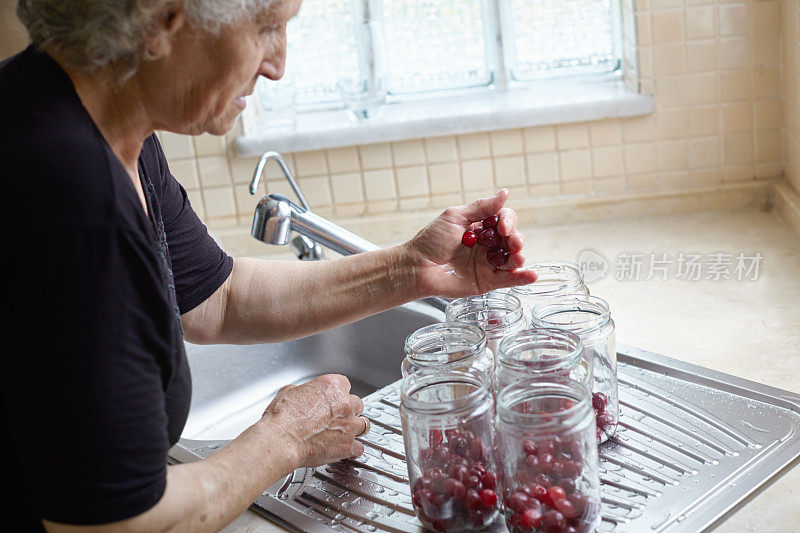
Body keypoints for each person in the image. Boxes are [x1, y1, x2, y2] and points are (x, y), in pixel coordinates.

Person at [0, 0, 537, 531]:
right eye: (266, 28)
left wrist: (411, 268)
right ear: (161, 20)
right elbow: (116, 526)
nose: (277, 65)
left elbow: (217, 298)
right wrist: (284, 440)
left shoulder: (91, 120)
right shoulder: (74, 201)